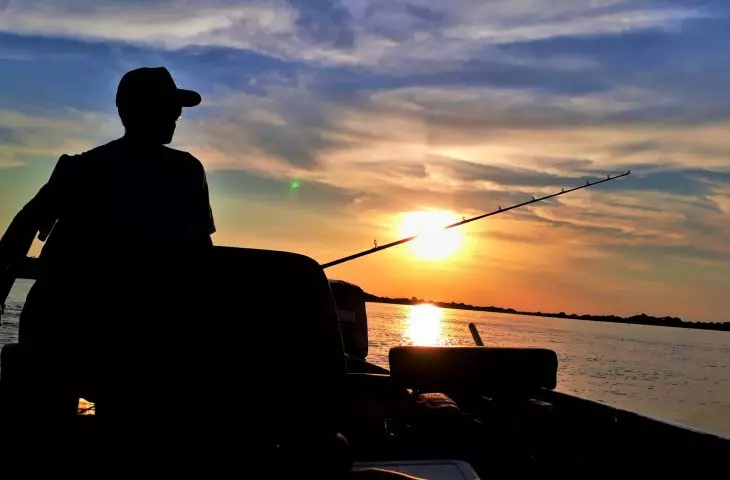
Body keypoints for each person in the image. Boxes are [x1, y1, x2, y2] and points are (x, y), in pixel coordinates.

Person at [0, 67, 215, 472]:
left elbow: (19, 232)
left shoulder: (80, 168)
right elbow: (201, 260)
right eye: (168, 108)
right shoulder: (186, 171)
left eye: (176, 110)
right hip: (109, 341)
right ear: (135, 111)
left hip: (70, 333)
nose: (176, 117)